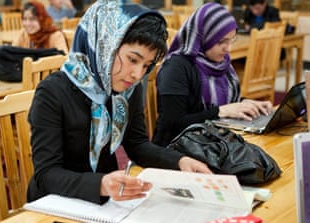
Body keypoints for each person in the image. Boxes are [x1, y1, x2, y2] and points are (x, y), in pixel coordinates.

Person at [26, 0, 212, 205]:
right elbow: (46, 174)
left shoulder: (126, 89)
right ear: (104, 44)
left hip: (107, 199)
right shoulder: (52, 92)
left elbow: (137, 145)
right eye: (133, 60)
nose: (137, 74)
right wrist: (101, 184)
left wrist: (179, 161)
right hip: (57, 202)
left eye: (146, 65)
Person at [152, 2, 273, 147]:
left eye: (231, 39)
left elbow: (221, 100)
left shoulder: (220, 64)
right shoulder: (176, 68)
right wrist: (220, 112)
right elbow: (173, 125)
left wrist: (244, 103)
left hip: (213, 142)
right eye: (221, 41)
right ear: (204, 37)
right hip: (179, 150)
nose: (228, 48)